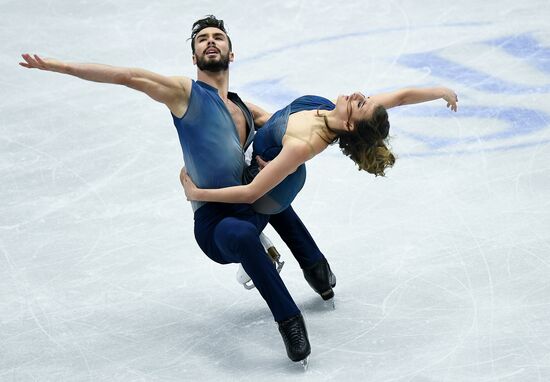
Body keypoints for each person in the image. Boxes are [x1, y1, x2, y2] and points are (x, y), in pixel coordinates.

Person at [19, 15, 337, 366]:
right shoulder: (186, 95)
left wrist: (348, 126)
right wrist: (61, 66)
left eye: (218, 37)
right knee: (245, 231)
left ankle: (316, 268)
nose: (210, 41)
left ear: (232, 54)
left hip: (249, 203)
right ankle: (289, 320)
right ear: (194, 55)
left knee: (276, 173)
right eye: (202, 39)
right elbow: (128, 76)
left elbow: (296, 128)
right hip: (217, 226)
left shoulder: (244, 108)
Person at [181, 88, 458, 213]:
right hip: (275, 155)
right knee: (245, 110)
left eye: (361, 104)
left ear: (349, 124)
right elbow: (401, 97)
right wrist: (440, 91)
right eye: (366, 99)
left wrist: (196, 193)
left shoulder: (303, 145)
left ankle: (257, 239)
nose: (360, 95)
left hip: (270, 195)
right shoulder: (330, 111)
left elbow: (251, 193)